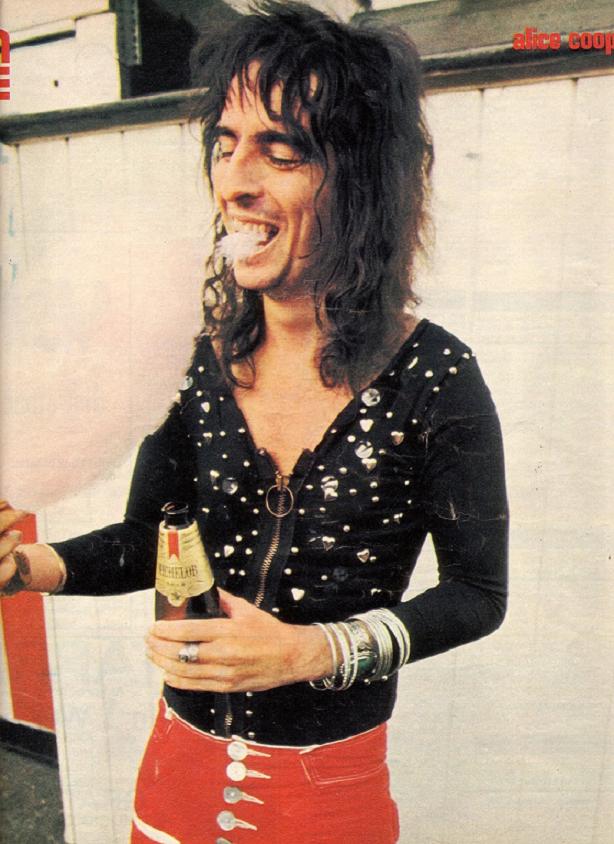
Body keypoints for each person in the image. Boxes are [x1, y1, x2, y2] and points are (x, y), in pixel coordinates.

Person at [0, 2, 508, 842]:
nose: (234, 181)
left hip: (328, 789)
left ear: (362, 180)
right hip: (176, 770)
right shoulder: (194, 358)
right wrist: (30, 565)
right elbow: (149, 539)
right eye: (225, 143)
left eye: (282, 151)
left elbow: (477, 596)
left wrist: (316, 651)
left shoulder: (435, 377)